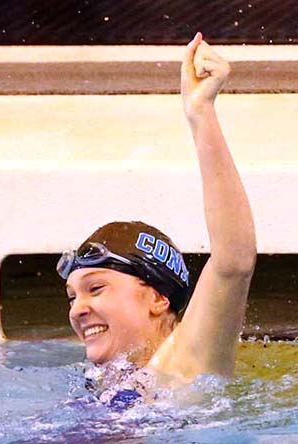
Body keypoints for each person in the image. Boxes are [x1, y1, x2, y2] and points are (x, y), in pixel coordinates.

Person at [56, 32, 256, 384]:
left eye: (96, 288)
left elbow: (233, 263)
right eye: (73, 297)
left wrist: (201, 113)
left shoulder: (182, 366)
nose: (77, 310)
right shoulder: (105, 380)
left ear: (158, 299)